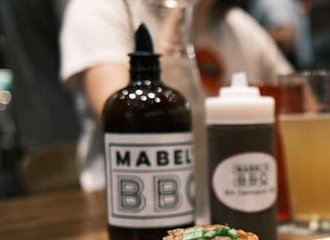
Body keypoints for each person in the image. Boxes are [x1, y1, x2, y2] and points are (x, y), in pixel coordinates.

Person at [60, 0, 293, 192]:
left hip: (229, 205)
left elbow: (301, 108)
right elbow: (126, 121)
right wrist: (177, 18)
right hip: (128, 208)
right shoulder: (101, 7)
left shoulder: (238, 26)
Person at [246, 0, 313, 68]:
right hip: (293, 65)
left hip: (291, 65)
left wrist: (254, 38)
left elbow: (285, 36)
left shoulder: (273, 2)